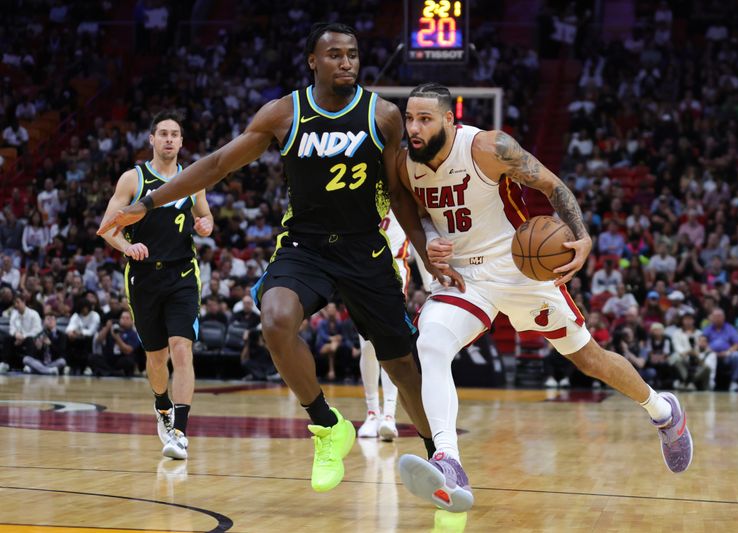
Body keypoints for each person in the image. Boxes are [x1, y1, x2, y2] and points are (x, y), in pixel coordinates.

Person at [98, 23, 461, 493]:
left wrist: (426, 249)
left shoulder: (384, 116)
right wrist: (148, 203)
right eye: (334, 54)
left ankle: (441, 461)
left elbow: (399, 193)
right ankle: (328, 425)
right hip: (305, 245)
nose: (346, 62)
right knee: (274, 319)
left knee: (401, 365)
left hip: (363, 247)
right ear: (313, 61)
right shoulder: (284, 114)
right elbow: (217, 165)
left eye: (352, 54)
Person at [395, 83, 693, 513]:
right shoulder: (407, 164)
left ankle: (663, 410)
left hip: (519, 267)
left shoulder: (488, 147)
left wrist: (583, 235)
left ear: (449, 120)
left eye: (424, 119)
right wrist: (431, 242)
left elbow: (553, 187)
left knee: (588, 358)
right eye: (409, 118)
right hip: (464, 277)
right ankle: (448, 461)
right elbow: (418, 214)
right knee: (431, 344)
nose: (414, 128)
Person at [97, 110, 214, 460]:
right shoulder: (133, 180)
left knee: (181, 347)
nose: (168, 139)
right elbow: (106, 228)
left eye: (174, 134)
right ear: (151, 139)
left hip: (182, 274)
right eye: (162, 133)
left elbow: (203, 214)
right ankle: (162, 404)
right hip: (143, 276)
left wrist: (205, 224)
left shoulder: (193, 178)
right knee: (156, 356)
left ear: (181, 141)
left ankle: (179, 431)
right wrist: (126, 246)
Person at [357, 209, 407, 441]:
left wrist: (429, 281)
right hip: (360, 271)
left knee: (389, 345)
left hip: (395, 269)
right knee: (367, 345)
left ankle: (389, 415)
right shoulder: (359, 189)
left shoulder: (399, 191)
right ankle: (372, 413)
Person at [88, 310, 141, 377]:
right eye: (122, 318)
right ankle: (114, 372)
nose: (124, 320)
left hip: (121, 359)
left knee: (129, 361)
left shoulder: (133, 334)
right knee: (92, 357)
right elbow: (99, 340)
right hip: (108, 358)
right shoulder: (111, 329)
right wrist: (107, 327)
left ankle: (107, 372)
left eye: (127, 318)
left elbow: (128, 351)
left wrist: (117, 338)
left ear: (131, 322)